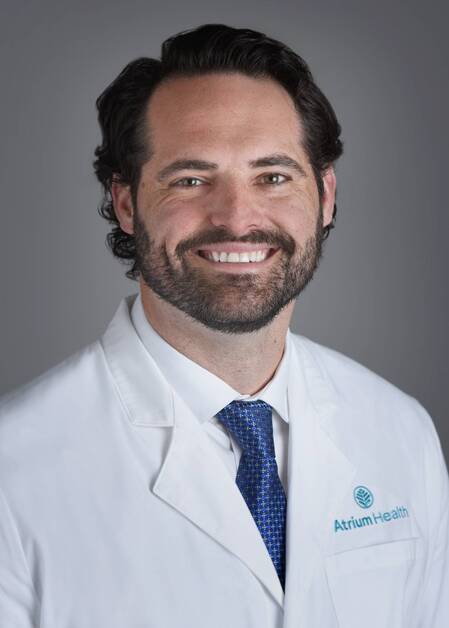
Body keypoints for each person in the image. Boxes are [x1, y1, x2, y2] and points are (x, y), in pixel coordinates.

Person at [0, 23, 448, 628]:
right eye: (191, 180)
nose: (237, 218)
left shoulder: (401, 432)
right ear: (127, 203)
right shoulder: (15, 469)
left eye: (273, 177)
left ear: (325, 195)